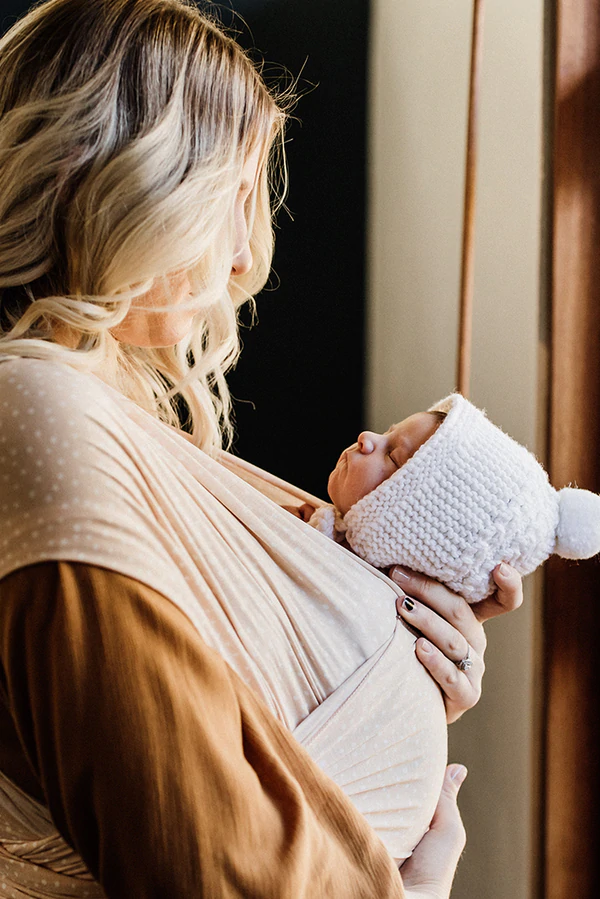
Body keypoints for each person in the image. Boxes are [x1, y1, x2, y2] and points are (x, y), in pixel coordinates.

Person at [0, 1, 524, 896]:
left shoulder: (96, 417)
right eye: (230, 197)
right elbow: (195, 850)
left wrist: (405, 664)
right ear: (116, 178)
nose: (245, 258)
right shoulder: (38, 416)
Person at [309, 393, 600, 602]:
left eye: (393, 456)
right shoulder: (316, 532)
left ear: (411, 535)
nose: (366, 437)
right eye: (388, 432)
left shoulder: (353, 600)